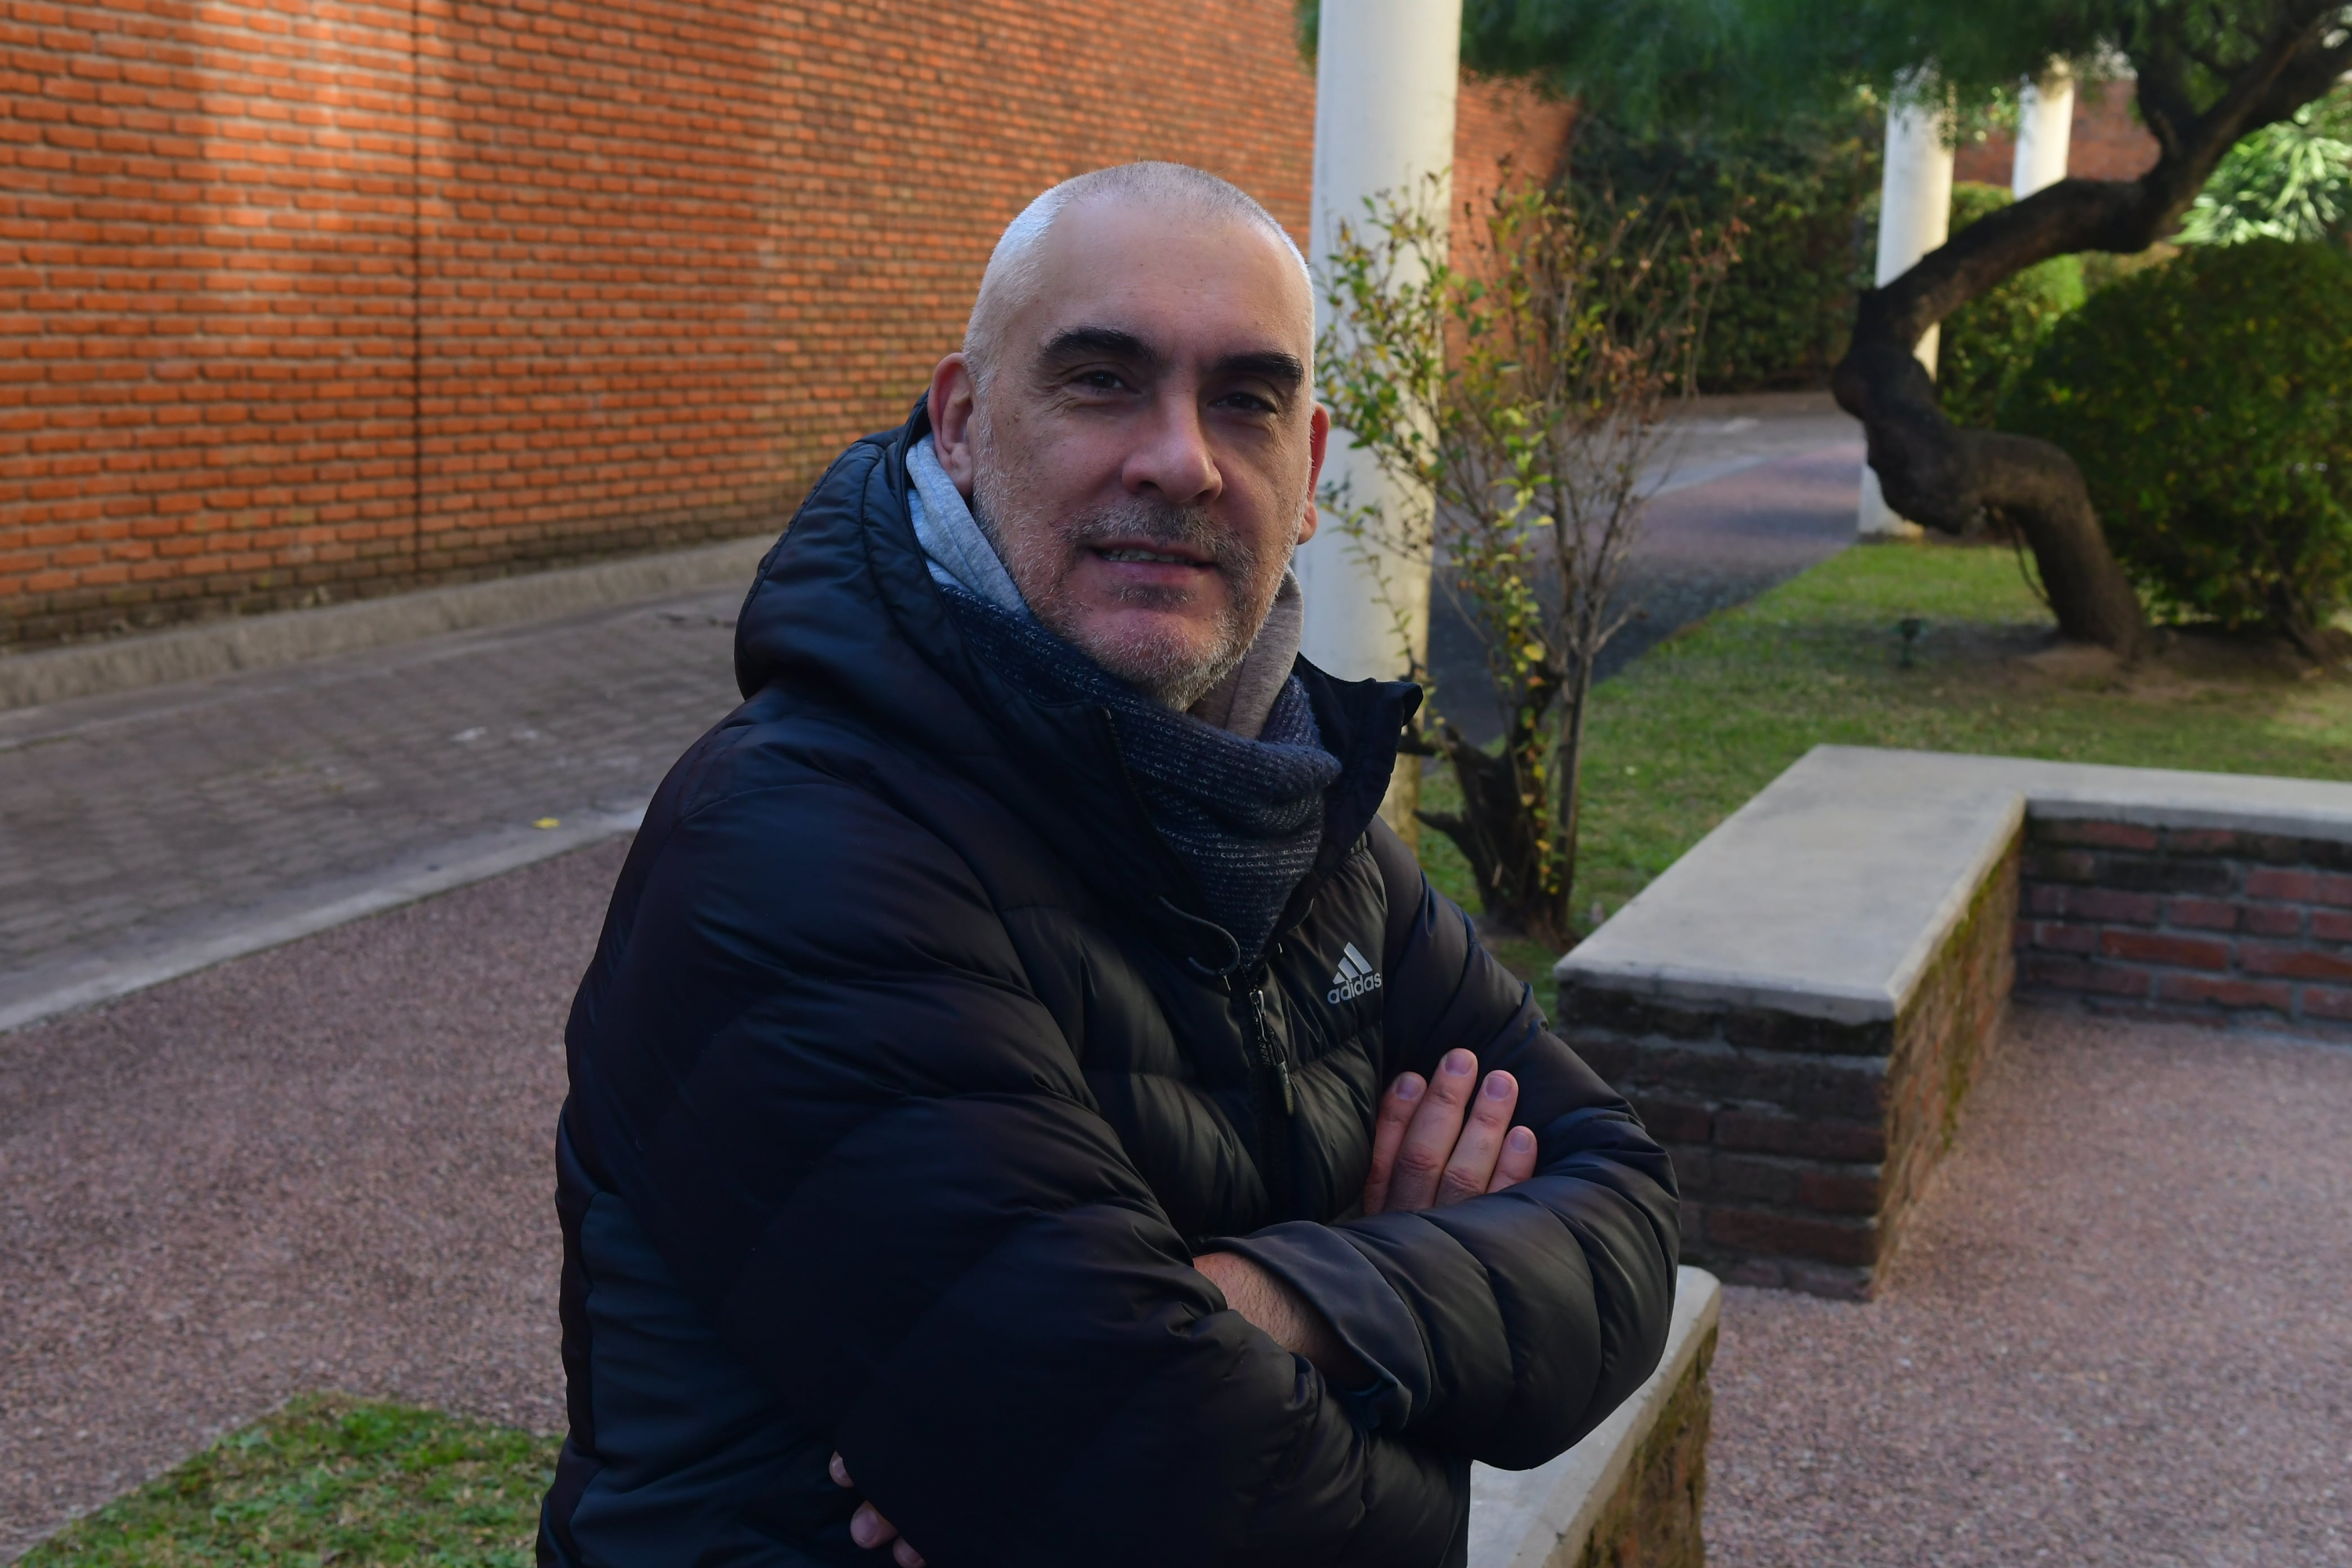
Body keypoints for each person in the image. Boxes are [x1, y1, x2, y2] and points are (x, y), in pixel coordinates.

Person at [539, 162, 1678, 1568]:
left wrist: (1283, 1303)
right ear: (962, 423)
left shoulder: (1291, 807)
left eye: (1247, 400)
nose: (1182, 460)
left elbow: (1626, 1214)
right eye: (1101, 381)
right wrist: (1428, 1389)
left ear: (1310, 472)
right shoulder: (791, 848)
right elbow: (1174, 1490)